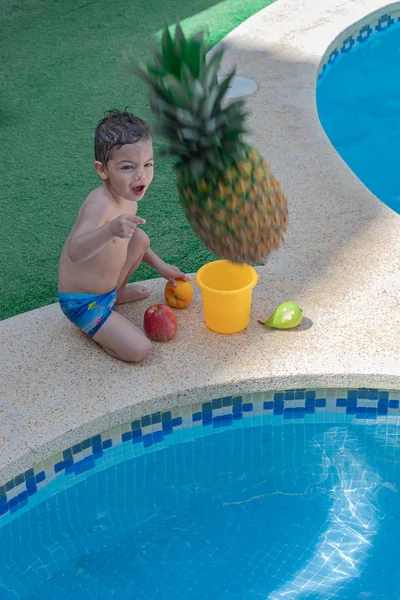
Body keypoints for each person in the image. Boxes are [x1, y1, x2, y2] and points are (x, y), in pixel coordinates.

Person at [57, 109, 189, 363]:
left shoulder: (128, 200)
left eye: (147, 165)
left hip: (106, 291)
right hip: (84, 302)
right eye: (128, 167)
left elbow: (130, 236)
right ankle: (102, 331)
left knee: (139, 238)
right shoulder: (99, 204)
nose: (141, 175)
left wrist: (161, 266)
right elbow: (75, 251)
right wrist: (109, 229)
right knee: (140, 350)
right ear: (102, 170)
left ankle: (116, 293)